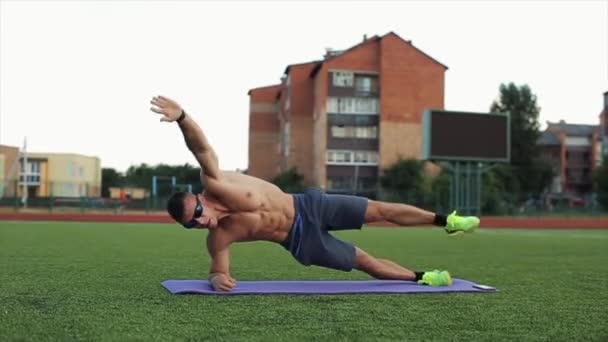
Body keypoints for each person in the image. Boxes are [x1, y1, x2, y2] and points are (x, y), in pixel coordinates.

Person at [150, 95, 480, 292]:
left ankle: (446, 221)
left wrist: (181, 117)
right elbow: (218, 269)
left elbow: (202, 149)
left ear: (199, 200)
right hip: (300, 240)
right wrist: (217, 279)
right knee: (364, 262)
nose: (200, 224)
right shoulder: (219, 236)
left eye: (196, 216)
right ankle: (424, 277)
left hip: (309, 205)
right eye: (190, 227)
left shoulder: (218, 184)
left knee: (380, 210)